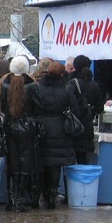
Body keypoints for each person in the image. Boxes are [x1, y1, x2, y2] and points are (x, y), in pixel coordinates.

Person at [0, 56, 42, 212]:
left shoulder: (4, 85)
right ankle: (20, 200)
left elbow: (2, 107)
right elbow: (38, 107)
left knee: (11, 164)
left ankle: (11, 200)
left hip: (9, 127)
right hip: (27, 129)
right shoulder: (32, 86)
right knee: (24, 165)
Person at [36, 61, 80, 208]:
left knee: (44, 162)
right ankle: (53, 194)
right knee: (56, 165)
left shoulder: (40, 87)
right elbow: (75, 109)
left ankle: (44, 191)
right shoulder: (66, 88)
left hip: (43, 129)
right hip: (61, 129)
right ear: (62, 74)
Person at [68, 54, 104, 164]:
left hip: (71, 125)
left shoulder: (70, 83)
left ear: (75, 66)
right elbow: (100, 108)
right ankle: (81, 181)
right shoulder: (94, 85)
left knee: (69, 159)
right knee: (83, 159)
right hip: (87, 127)